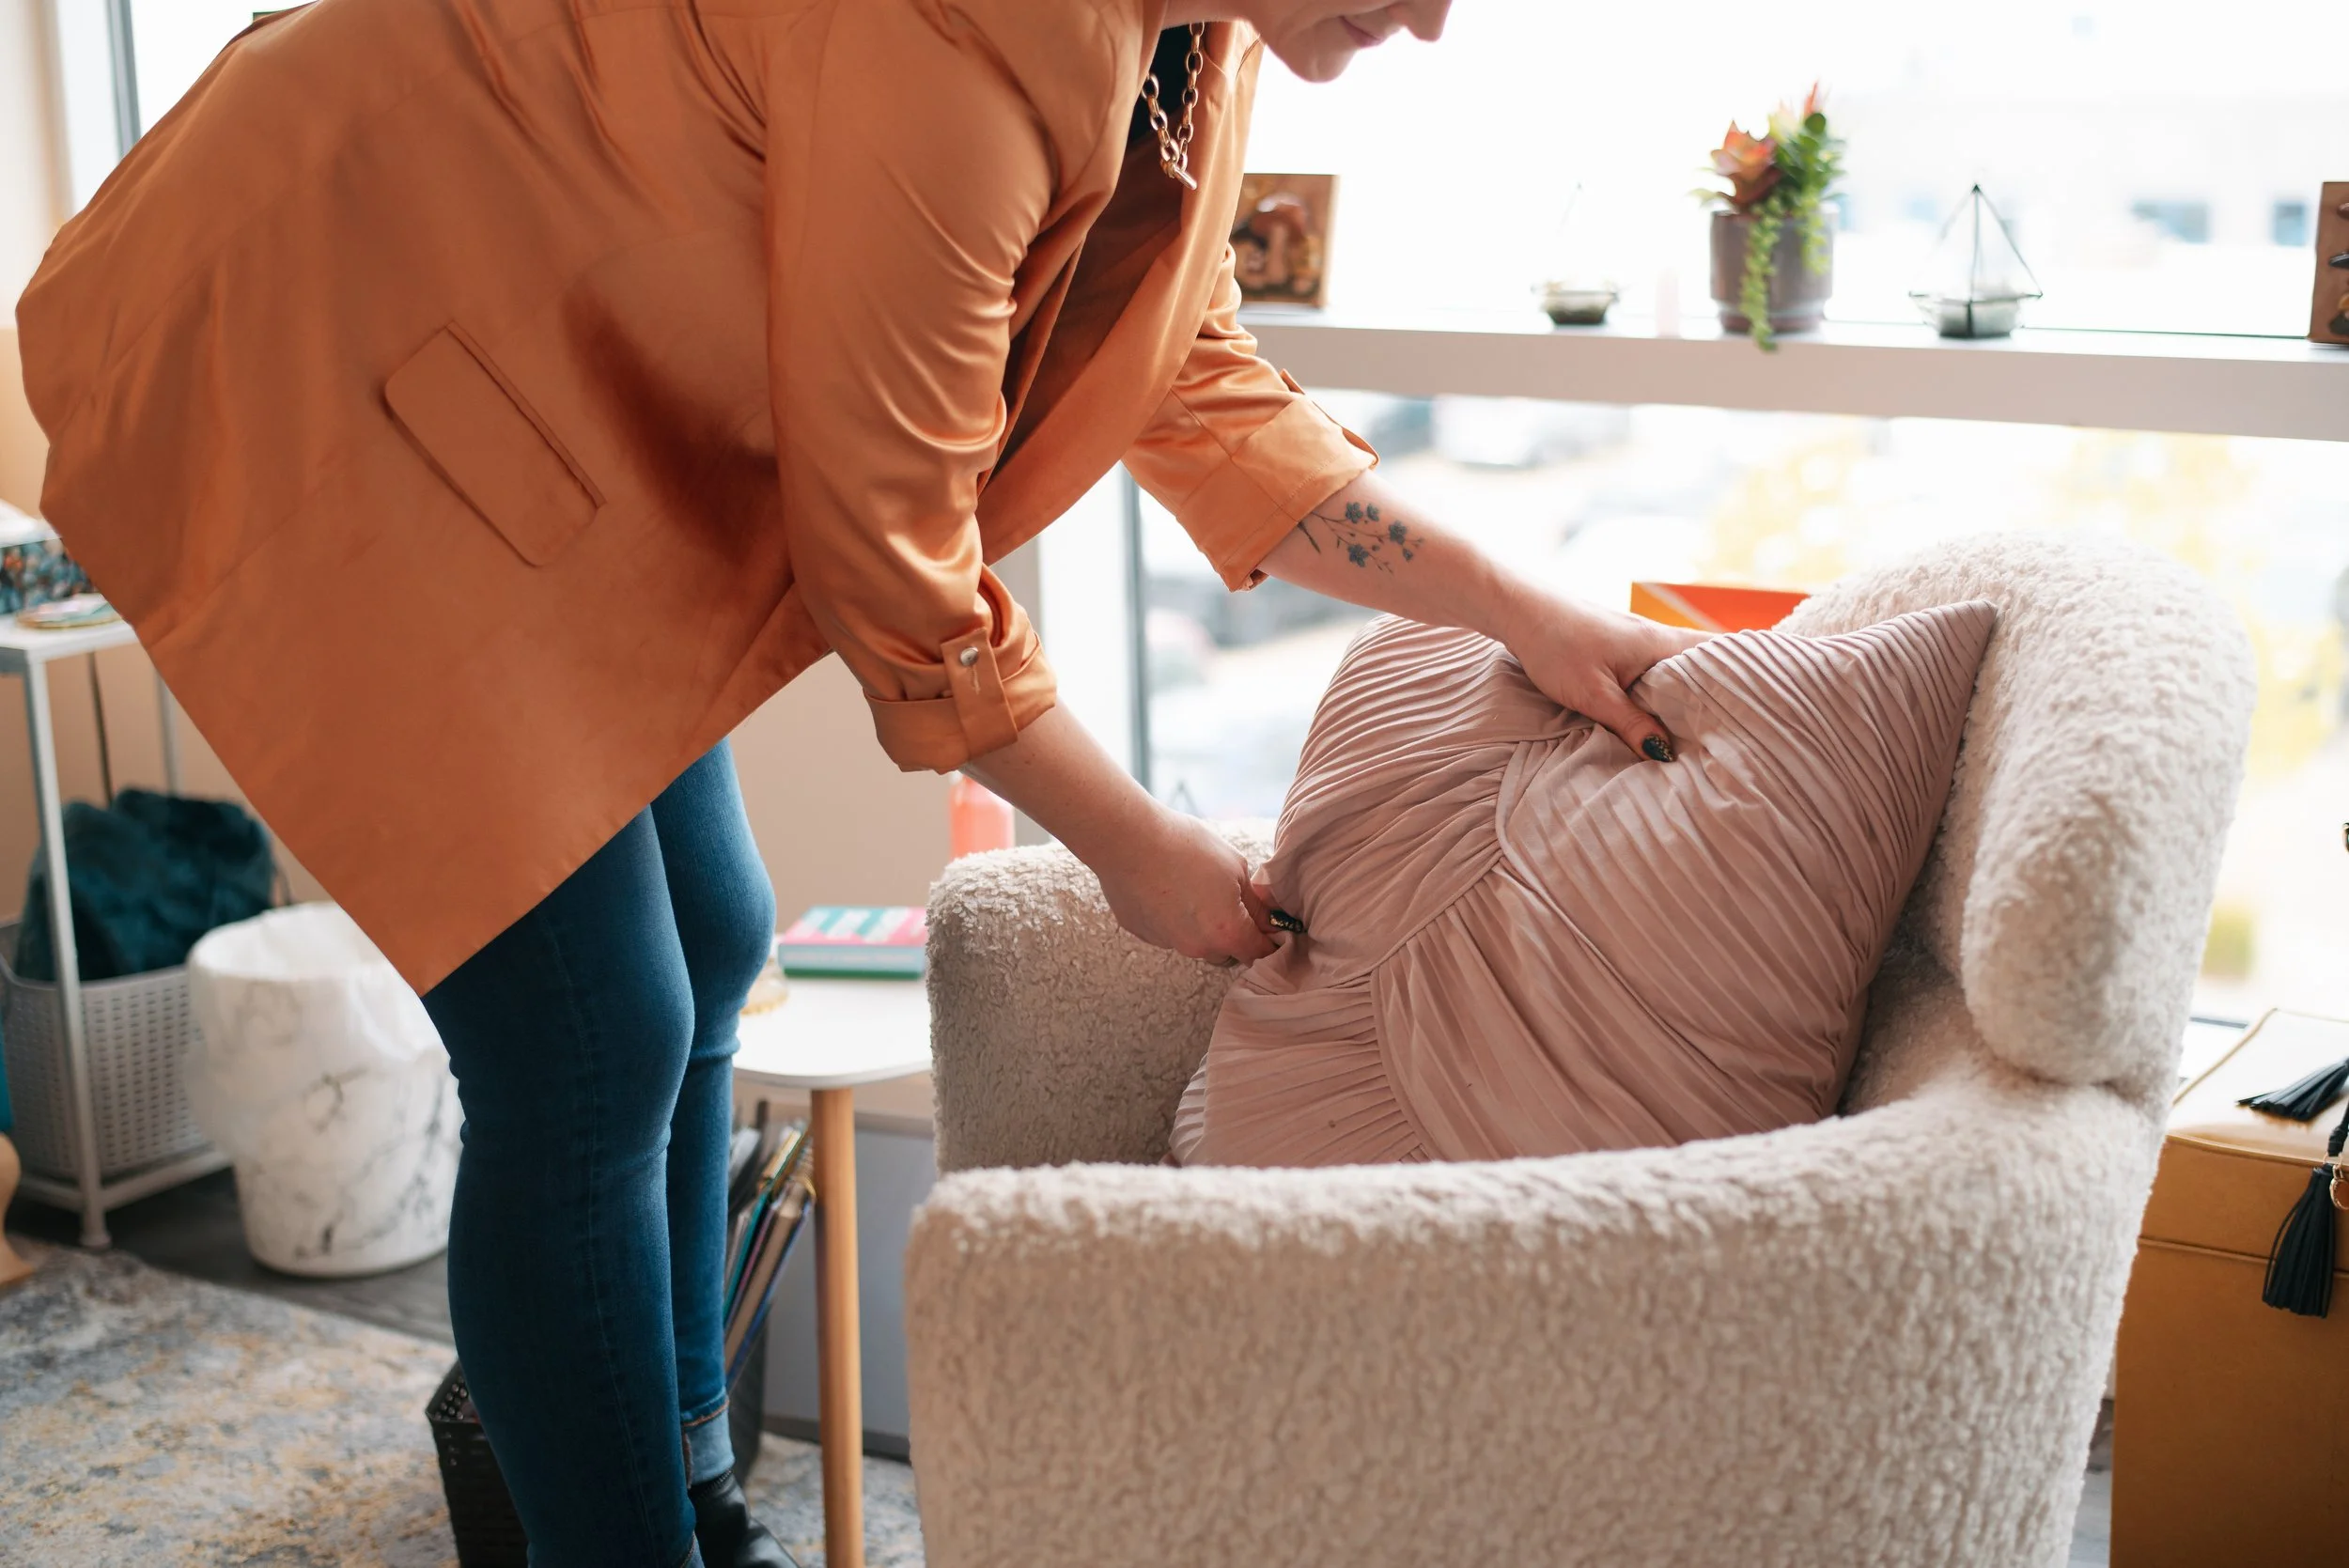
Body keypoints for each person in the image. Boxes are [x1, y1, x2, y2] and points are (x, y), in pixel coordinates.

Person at [15, 2, 1698, 1563]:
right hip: (338, 304)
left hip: (532, 357)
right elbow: (889, 570)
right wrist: (1129, 845)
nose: (1432, 17)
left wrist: (1518, 609)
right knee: (592, 1047)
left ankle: (688, 1491)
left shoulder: (1194, 35)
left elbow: (1178, 367)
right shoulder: (961, 32)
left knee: (717, 939)